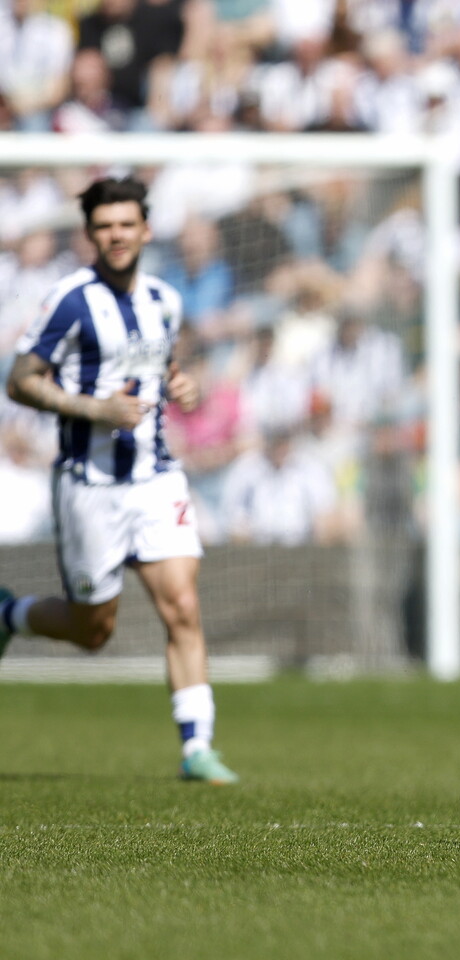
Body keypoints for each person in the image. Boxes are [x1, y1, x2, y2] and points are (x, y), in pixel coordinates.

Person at [0, 176, 238, 784]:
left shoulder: (164, 299)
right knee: (94, 631)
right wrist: (93, 409)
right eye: (105, 226)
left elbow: (164, 370)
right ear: (89, 234)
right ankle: (10, 614)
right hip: (89, 486)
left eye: (126, 224)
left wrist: (184, 387)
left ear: (146, 229)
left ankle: (197, 747)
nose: (116, 235)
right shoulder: (70, 300)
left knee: (182, 604)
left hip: (156, 478)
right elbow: (20, 380)